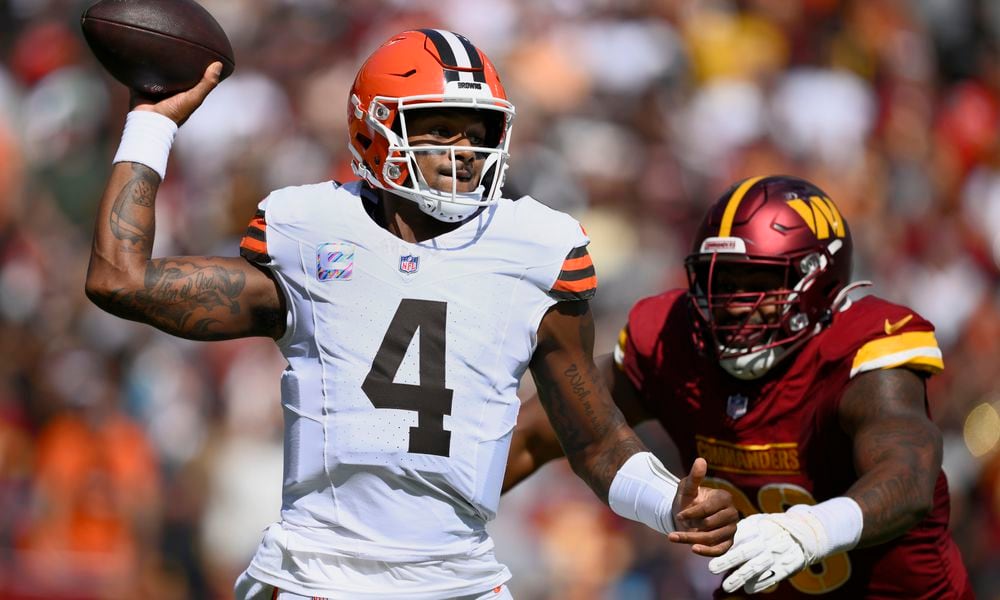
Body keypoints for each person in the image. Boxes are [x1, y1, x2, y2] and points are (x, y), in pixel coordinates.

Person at [84, 29, 737, 600]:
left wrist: (667, 502)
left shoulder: (536, 248)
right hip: (323, 579)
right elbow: (121, 279)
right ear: (374, 127)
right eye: (440, 128)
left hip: (463, 579)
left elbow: (592, 437)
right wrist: (152, 122)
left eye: (477, 131)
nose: (463, 153)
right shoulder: (312, 232)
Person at [504, 175, 974, 598]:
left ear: (818, 279)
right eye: (723, 281)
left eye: (761, 281)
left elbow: (910, 475)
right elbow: (542, 431)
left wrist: (810, 532)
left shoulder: (863, 350)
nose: (735, 305)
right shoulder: (674, 339)